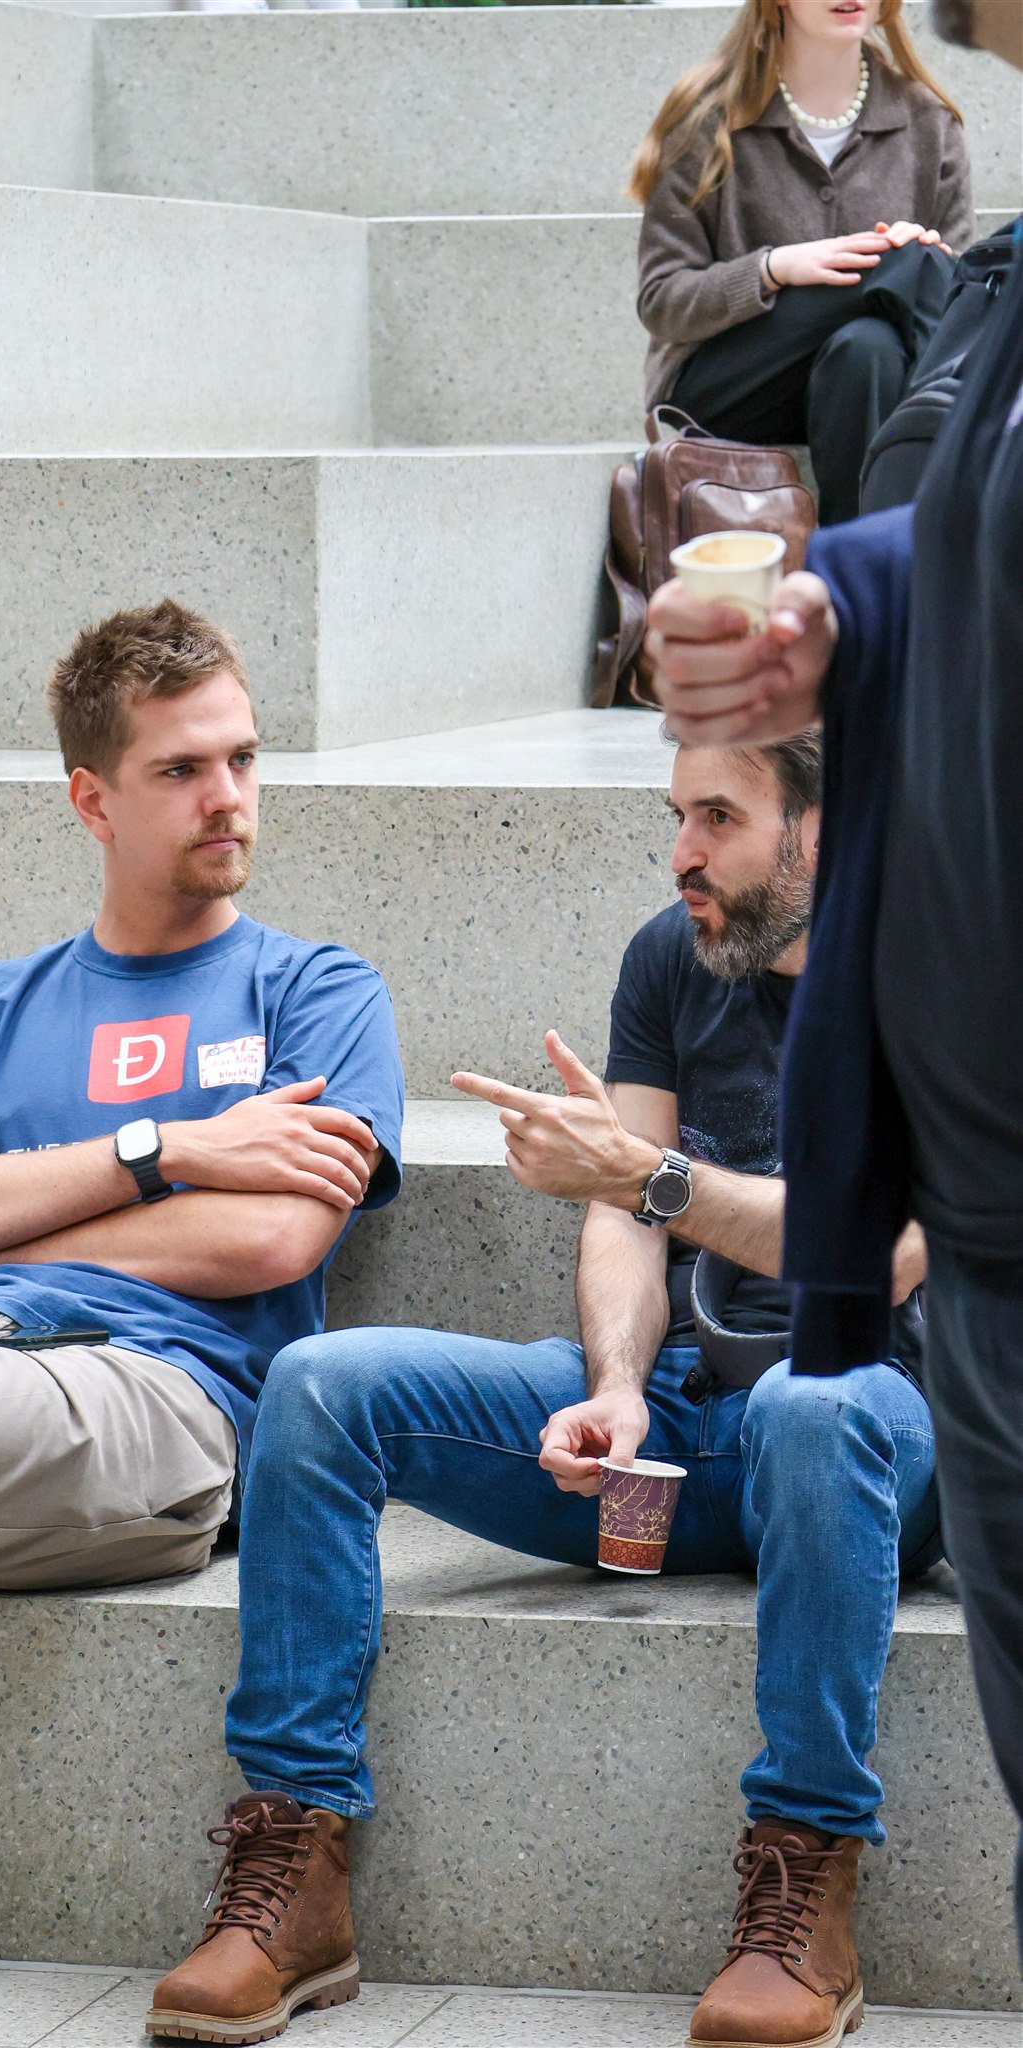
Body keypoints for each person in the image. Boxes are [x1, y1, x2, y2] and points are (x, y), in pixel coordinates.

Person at [148, 733, 935, 2048]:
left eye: (719, 817)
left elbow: (881, 1251)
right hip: (681, 1420)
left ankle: (807, 1878)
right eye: (675, 812)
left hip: (873, 1432)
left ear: (822, 823)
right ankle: (297, 1867)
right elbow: (620, 1216)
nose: (681, 850)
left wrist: (648, 1181)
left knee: (815, 1405)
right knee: (322, 1388)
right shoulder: (670, 955)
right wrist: (618, 1384)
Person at [644, 0, 1023, 1970]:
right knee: (880, 334)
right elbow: (920, 522)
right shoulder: (1003, 288)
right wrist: (828, 608)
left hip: (927, 1267)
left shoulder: (935, 136)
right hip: (981, 1214)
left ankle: (807, 1875)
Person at [0, 601, 404, 1624]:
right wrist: (168, 1148)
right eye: (181, 771)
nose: (227, 797)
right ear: (93, 803)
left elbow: (274, 1232)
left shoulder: (314, 989)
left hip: (148, 1393)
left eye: (242, 759)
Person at [631, 0, 975, 525]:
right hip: (728, 388)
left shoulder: (928, 123)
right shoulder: (708, 117)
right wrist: (773, 269)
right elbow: (661, 301)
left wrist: (930, 256)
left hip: (871, 385)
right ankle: (971, 424)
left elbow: (956, 284)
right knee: (908, 262)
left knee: (868, 348)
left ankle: (856, 578)